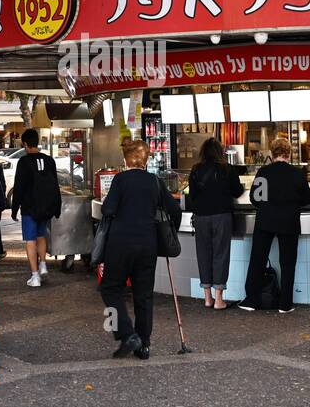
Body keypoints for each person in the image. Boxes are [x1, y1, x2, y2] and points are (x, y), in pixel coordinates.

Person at [98, 140, 180, 361]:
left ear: (126, 160)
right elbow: (173, 209)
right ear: (145, 160)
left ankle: (126, 334)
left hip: (120, 243)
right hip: (148, 244)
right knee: (144, 295)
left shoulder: (120, 179)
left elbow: (108, 209)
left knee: (110, 288)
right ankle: (144, 344)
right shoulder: (155, 181)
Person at [239, 137, 310, 314]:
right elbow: (306, 198)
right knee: (287, 262)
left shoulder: (264, 172)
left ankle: (251, 300)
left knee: (258, 259)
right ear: (289, 153)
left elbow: (255, 197)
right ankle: (285, 304)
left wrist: (267, 206)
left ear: (273, 153)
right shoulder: (297, 173)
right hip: (289, 221)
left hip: (265, 220)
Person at [187, 138, 244, 309]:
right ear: (220, 152)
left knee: (203, 254)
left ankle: (207, 297)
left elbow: (192, 195)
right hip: (221, 216)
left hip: (201, 217)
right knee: (220, 254)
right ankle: (219, 299)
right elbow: (238, 191)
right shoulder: (227, 169)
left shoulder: (195, 170)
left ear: (203, 152)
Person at [10, 127, 62, 287]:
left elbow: (19, 187)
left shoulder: (24, 162)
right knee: (41, 236)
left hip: (29, 207)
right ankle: (43, 265)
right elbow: (55, 185)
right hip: (46, 206)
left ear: (25, 144)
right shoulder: (49, 160)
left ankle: (35, 276)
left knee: (30, 240)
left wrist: (14, 208)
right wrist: (57, 206)